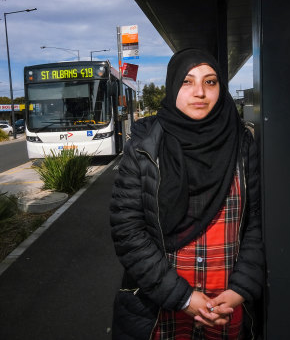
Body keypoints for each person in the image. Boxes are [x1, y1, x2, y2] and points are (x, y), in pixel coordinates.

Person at [110, 48, 264, 339]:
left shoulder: (242, 143)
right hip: (158, 308)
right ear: (172, 86)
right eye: (187, 81)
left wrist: (240, 289)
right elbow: (127, 230)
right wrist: (183, 298)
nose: (200, 93)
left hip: (226, 307)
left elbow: (255, 222)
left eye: (210, 82)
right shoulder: (144, 147)